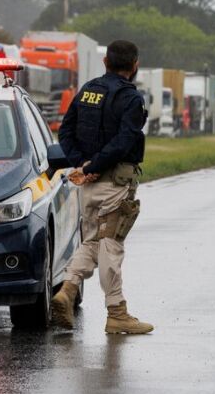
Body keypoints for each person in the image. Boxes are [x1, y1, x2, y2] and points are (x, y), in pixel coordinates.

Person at [50, 39, 154, 335]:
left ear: (105, 62)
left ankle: (67, 290)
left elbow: (65, 130)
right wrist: (94, 165)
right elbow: (124, 141)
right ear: (134, 66)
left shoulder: (87, 91)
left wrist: (81, 164)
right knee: (111, 245)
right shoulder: (132, 100)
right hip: (114, 184)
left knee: (92, 242)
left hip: (87, 186)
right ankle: (117, 312)